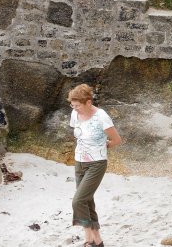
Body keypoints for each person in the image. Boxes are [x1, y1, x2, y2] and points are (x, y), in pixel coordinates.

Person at [68, 84, 124, 247]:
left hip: (96, 164)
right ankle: (96, 240)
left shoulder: (101, 116)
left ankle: (89, 238)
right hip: (79, 162)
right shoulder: (75, 114)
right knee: (87, 201)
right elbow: (79, 135)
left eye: (78, 106)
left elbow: (117, 140)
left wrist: (103, 146)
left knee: (78, 201)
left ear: (88, 102)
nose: (75, 109)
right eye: (73, 106)